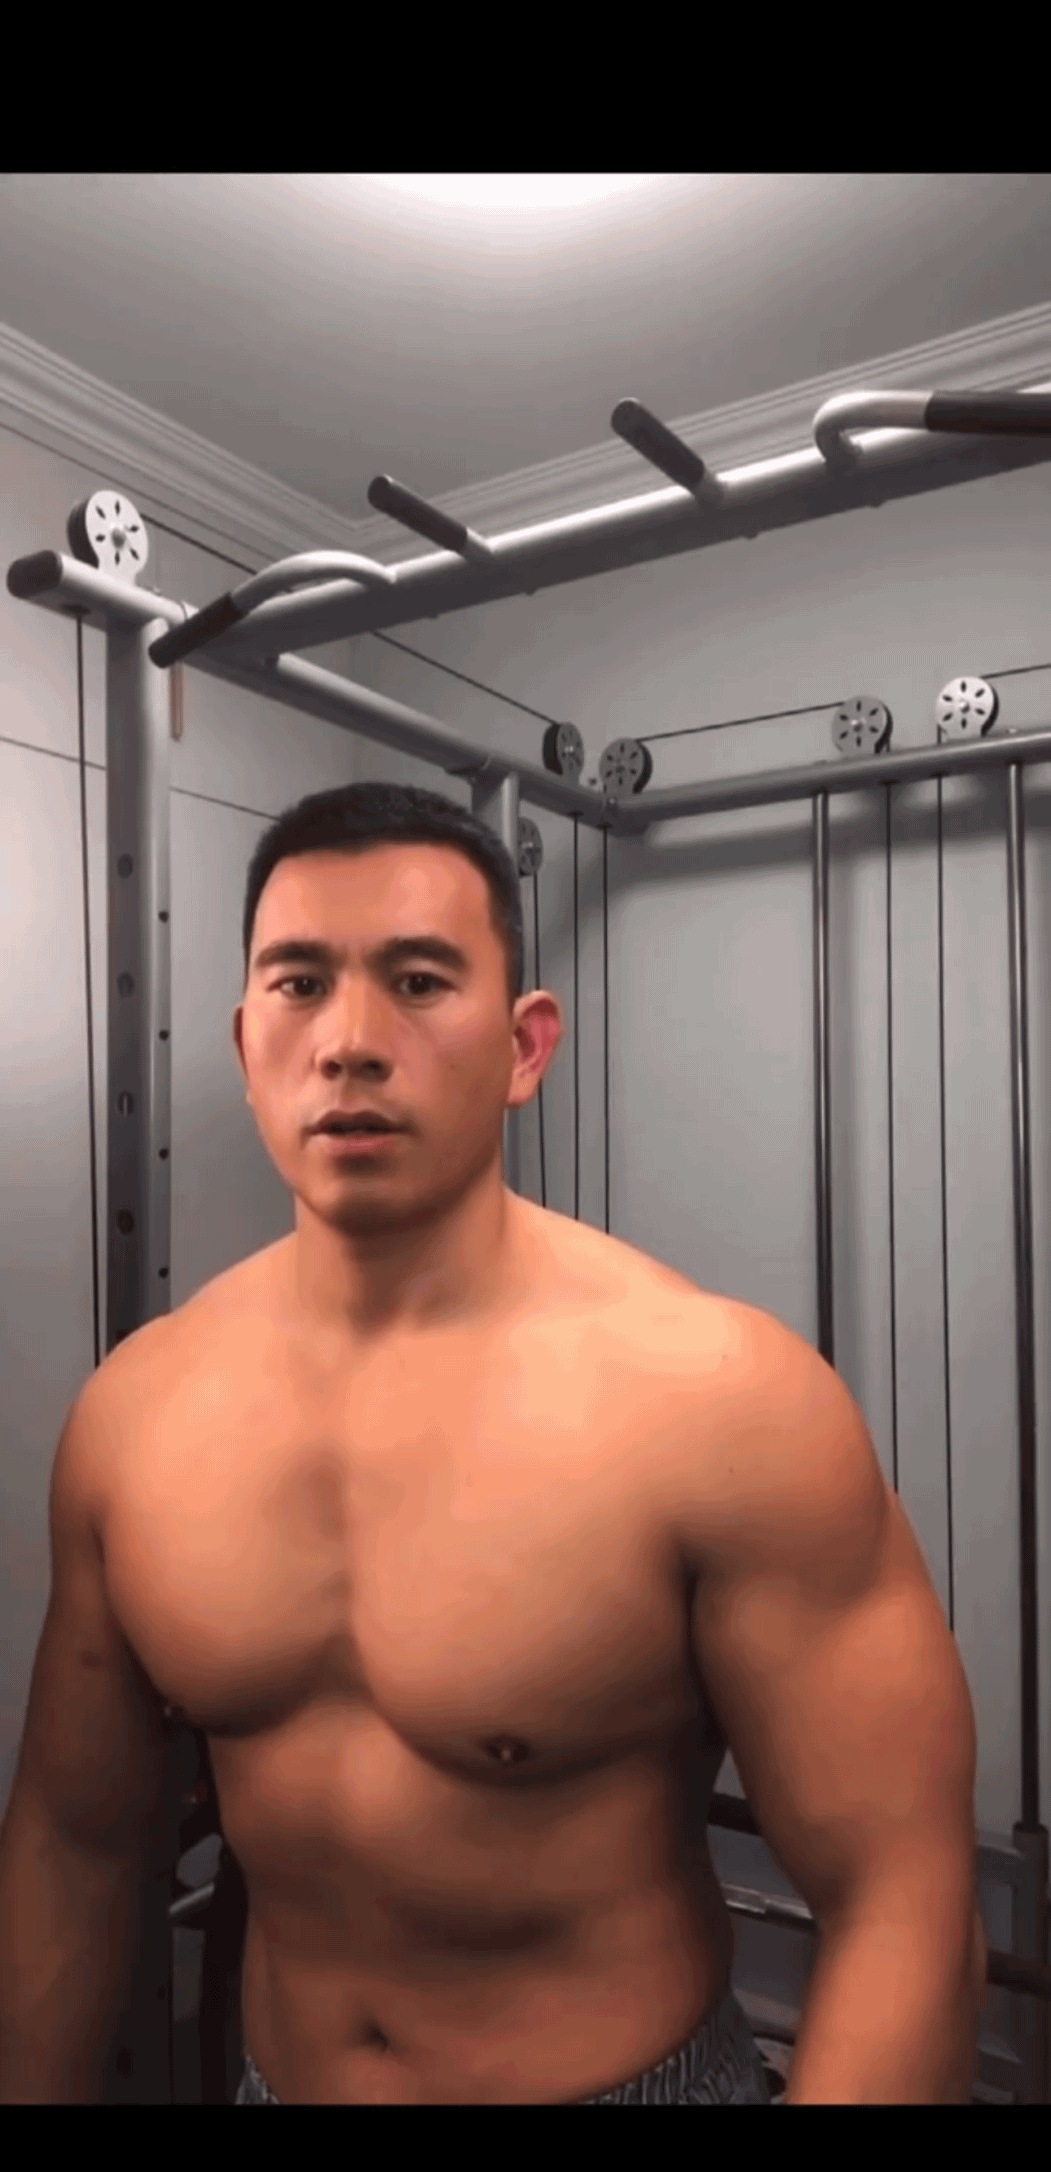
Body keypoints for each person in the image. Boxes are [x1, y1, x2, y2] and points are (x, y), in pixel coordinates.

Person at [0, 783, 986, 2105]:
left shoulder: (722, 1403)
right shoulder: (134, 1416)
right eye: (300, 985)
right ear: (244, 1043)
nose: (350, 1043)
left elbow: (903, 1901)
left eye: (417, 982)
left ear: (525, 1047)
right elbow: (72, 1846)